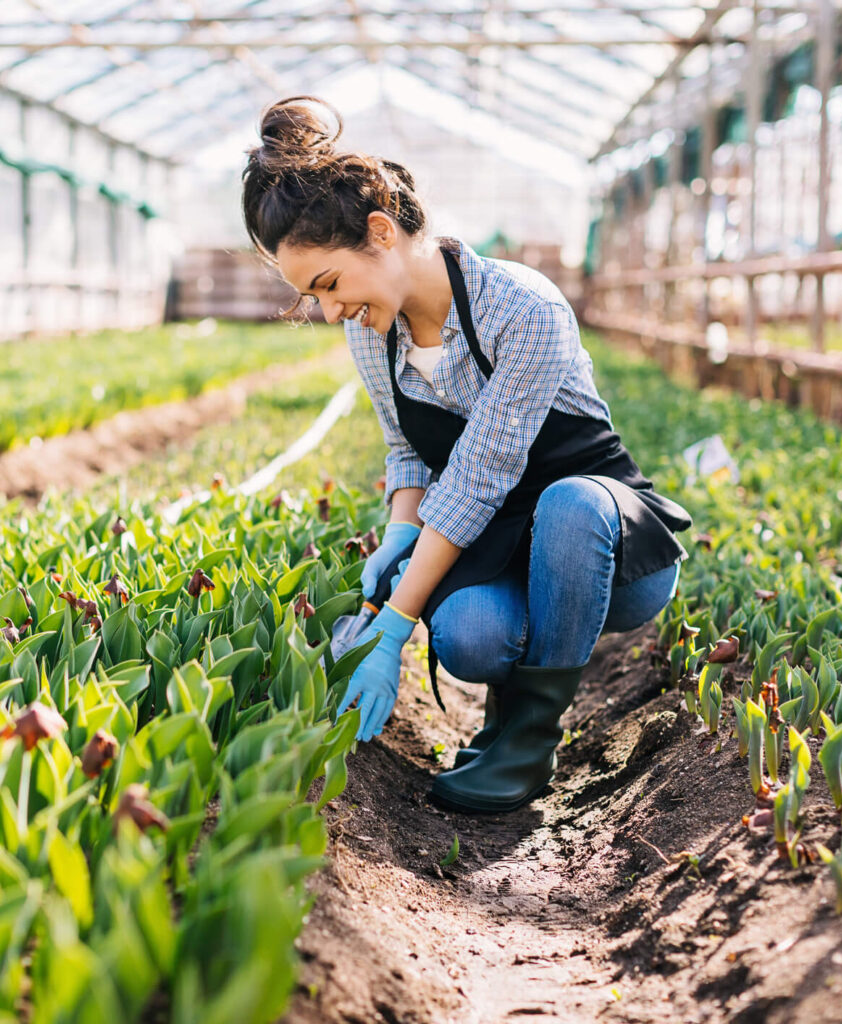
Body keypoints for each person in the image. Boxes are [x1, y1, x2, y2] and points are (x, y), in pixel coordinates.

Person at [241, 98, 693, 815]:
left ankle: (529, 742)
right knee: (470, 636)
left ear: (382, 232)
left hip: (607, 553)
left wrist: (391, 626)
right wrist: (399, 529)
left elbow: (480, 478)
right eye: (310, 299)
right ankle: (501, 717)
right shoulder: (374, 331)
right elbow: (408, 451)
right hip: (499, 540)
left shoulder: (522, 308)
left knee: (568, 505)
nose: (328, 312)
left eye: (327, 286)